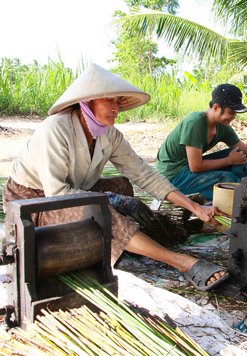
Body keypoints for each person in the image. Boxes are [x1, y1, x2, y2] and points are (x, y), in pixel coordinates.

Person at [2, 63, 229, 292]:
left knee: (121, 185)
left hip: (74, 190)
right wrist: (107, 199)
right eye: (109, 101)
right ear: (87, 102)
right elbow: (57, 194)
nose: (116, 108)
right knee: (103, 211)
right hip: (33, 202)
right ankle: (182, 262)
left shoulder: (109, 135)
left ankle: (121, 247)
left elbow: (144, 173)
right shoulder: (56, 130)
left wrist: (194, 208)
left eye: (118, 101)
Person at [155, 83, 247, 201]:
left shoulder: (222, 126)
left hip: (188, 168)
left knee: (238, 156)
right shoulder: (195, 122)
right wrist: (229, 161)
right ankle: (246, 202)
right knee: (227, 179)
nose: (233, 117)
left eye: (235, 114)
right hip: (172, 176)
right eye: (231, 113)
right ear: (216, 107)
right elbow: (196, 166)